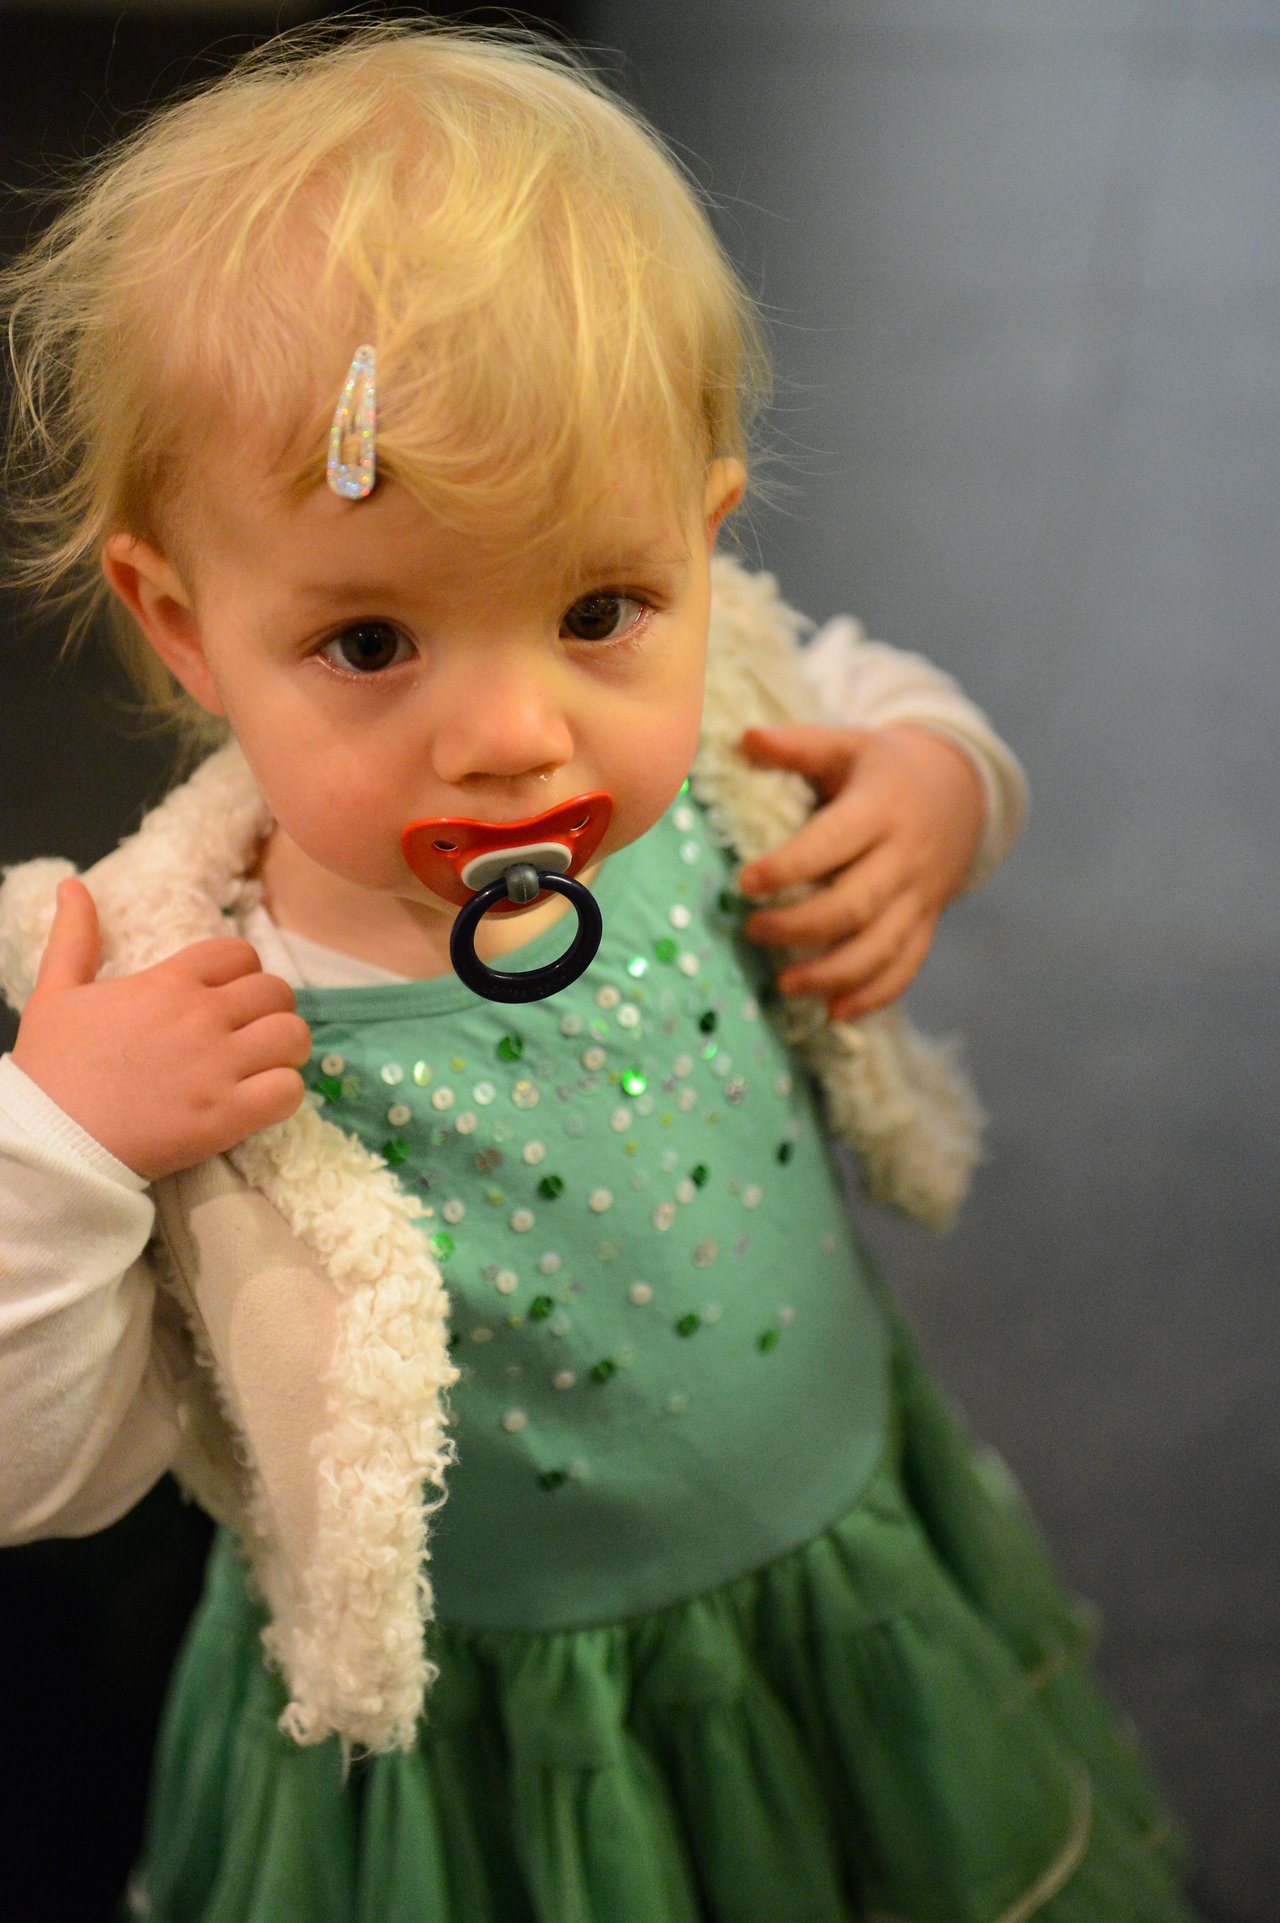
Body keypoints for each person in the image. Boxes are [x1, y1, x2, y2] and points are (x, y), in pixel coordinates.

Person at [0, 22, 1197, 1923]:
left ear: (701, 550)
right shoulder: (183, 1015)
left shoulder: (727, 734)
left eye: (597, 609)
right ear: (185, 621)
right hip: (468, 1758)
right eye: (372, 641)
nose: (513, 738)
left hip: (837, 1588)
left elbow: (869, 689)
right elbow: (30, 1470)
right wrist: (65, 1147)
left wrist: (937, 786)